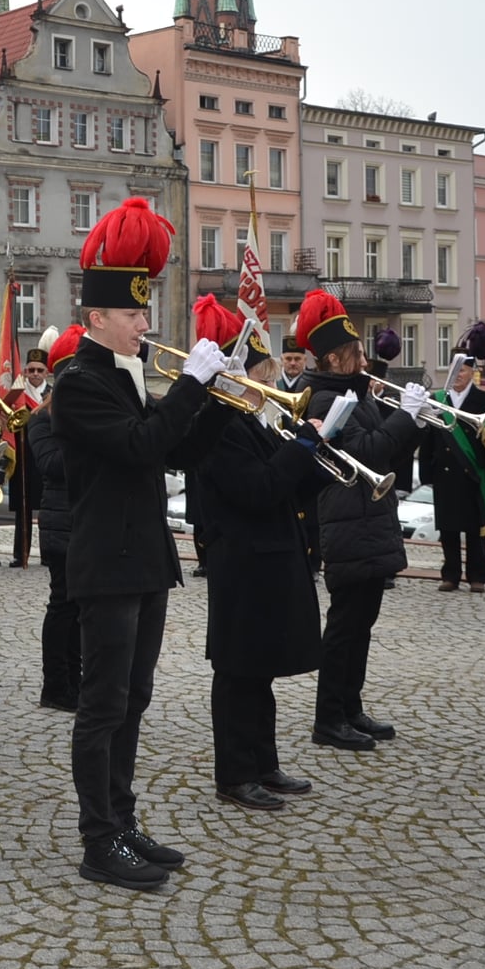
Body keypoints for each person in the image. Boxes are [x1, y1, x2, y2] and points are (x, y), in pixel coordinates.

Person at [51, 198, 229, 890]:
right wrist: (189, 386)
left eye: (145, 311)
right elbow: (139, 446)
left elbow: (175, 453)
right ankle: (99, 840)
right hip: (107, 564)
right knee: (102, 707)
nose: (145, 324)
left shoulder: (122, 377)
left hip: (145, 562)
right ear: (96, 318)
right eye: (133, 314)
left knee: (134, 699)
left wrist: (214, 399)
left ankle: (122, 820)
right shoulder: (78, 384)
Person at [184, 295, 325, 813]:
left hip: (270, 557)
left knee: (260, 671)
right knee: (239, 671)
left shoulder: (254, 421)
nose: (263, 382)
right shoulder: (218, 426)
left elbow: (287, 490)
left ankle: (263, 761)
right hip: (241, 563)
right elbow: (257, 489)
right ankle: (235, 773)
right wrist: (298, 451)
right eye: (257, 371)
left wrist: (312, 455)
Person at [296, 288, 425, 754]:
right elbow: (366, 452)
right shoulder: (324, 401)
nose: (363, 357)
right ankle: (328, 717)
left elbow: (387, 449)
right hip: (346, 522)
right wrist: (404, 419)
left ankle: (350, 707)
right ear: (333, 358)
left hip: (370, 520)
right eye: (355, 352)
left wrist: (413, 420)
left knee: (361, 624)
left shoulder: (355, 391)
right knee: (344, 627)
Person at [26, 326, 84, 712]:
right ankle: (55, 686)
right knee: (63, 603)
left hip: (87, 521)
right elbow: (50, 464)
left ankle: (76, 680)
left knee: (82, 608)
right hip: (61, 524)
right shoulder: (42, 419)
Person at [417, 340, 485, 593]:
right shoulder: (438, 399)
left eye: (462, 370)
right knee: (448, 528)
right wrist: (426, 472)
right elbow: (428, 437)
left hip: (473, 473)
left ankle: (477, 576)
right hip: (445, 472)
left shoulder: (484, 400)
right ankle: (450, 574)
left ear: (471, 372)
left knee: (475, 530)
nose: (457, 375)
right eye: (454, 370)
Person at [4, 339, 52, 570]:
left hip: (45, 457)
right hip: (24, 457)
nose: (34, 374)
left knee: (47, 509)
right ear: (24, 371)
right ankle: (20, 553)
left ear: (46, 372)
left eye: (39, 370)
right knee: (23, 511)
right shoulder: (18, 394)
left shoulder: (53, 394)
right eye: (30, 369)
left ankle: (48, 553)